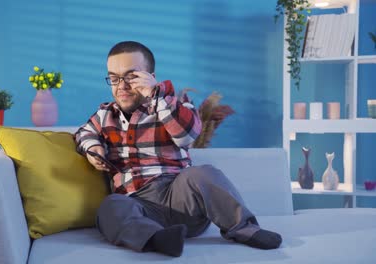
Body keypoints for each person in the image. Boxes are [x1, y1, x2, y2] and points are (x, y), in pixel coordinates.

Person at [75, 41, 282, 257]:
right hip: (137, 205)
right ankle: (156, 239)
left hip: (179, 196)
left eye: (131, 77)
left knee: (203, 173)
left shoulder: (175, 105)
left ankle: (246, 229)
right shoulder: (105, 115)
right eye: (115, 78)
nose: (122, 86)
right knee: (111, 206)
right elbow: (83, 133)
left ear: (150, 76)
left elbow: (187, 136)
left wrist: (155, 95)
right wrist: (94, 147)